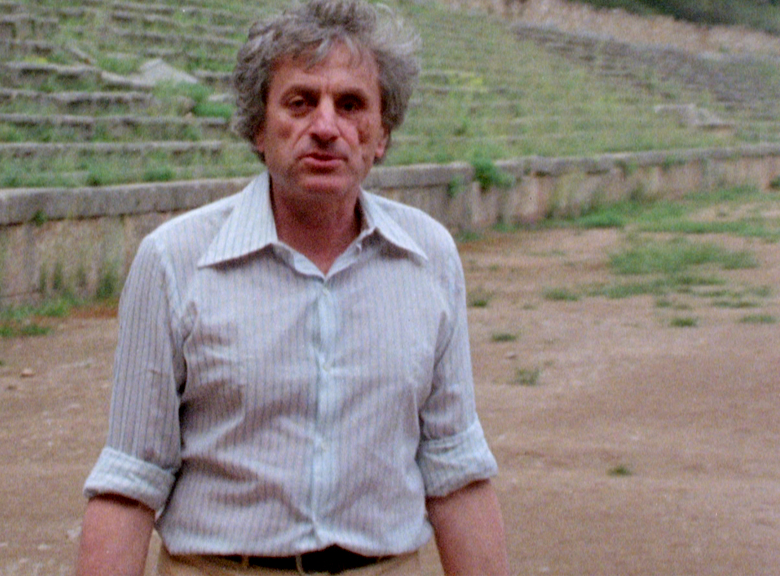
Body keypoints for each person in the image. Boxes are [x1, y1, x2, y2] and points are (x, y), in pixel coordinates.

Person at [75, 1, 508, 574]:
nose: (326, 128)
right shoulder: (174, 261)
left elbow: (455, 467)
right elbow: (131, 479)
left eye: (351, 105)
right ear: (259, 126)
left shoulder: (430, 258)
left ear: (381, 133)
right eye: (300, 102)